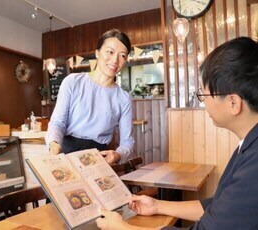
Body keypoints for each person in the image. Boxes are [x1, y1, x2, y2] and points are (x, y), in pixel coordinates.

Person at [96, 36, 258, 229]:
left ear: (233, 103)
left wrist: (121, 228)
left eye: (204, 95)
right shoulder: (249, 145)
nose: (203, 101)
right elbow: (218, 208)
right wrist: (158, 205)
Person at [45, 29, 135, 164]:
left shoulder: (123, 98)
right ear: (97, 53)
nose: (115, 60)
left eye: (122, 55)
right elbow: (58, 122)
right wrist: (54, 143)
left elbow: (127, 141)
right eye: (110, 52)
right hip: (66, 153)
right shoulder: (73, 82)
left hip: (99, 158)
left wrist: (117, 154)